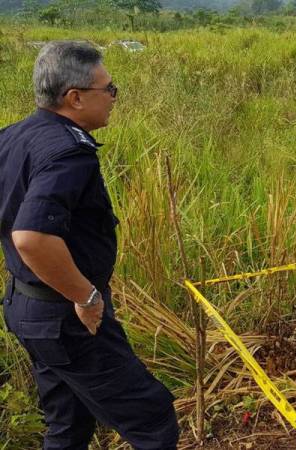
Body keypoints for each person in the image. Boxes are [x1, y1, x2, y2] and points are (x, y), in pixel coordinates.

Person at [0, 41, 179, 450]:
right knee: (152, 418)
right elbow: (31, 236)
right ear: (75, 97)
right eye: (109, 89)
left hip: (27, 308)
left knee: (68, 424)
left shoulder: (12, 137)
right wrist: (86, 296)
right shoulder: (68, 153)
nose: (114, 98)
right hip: (68, 317)